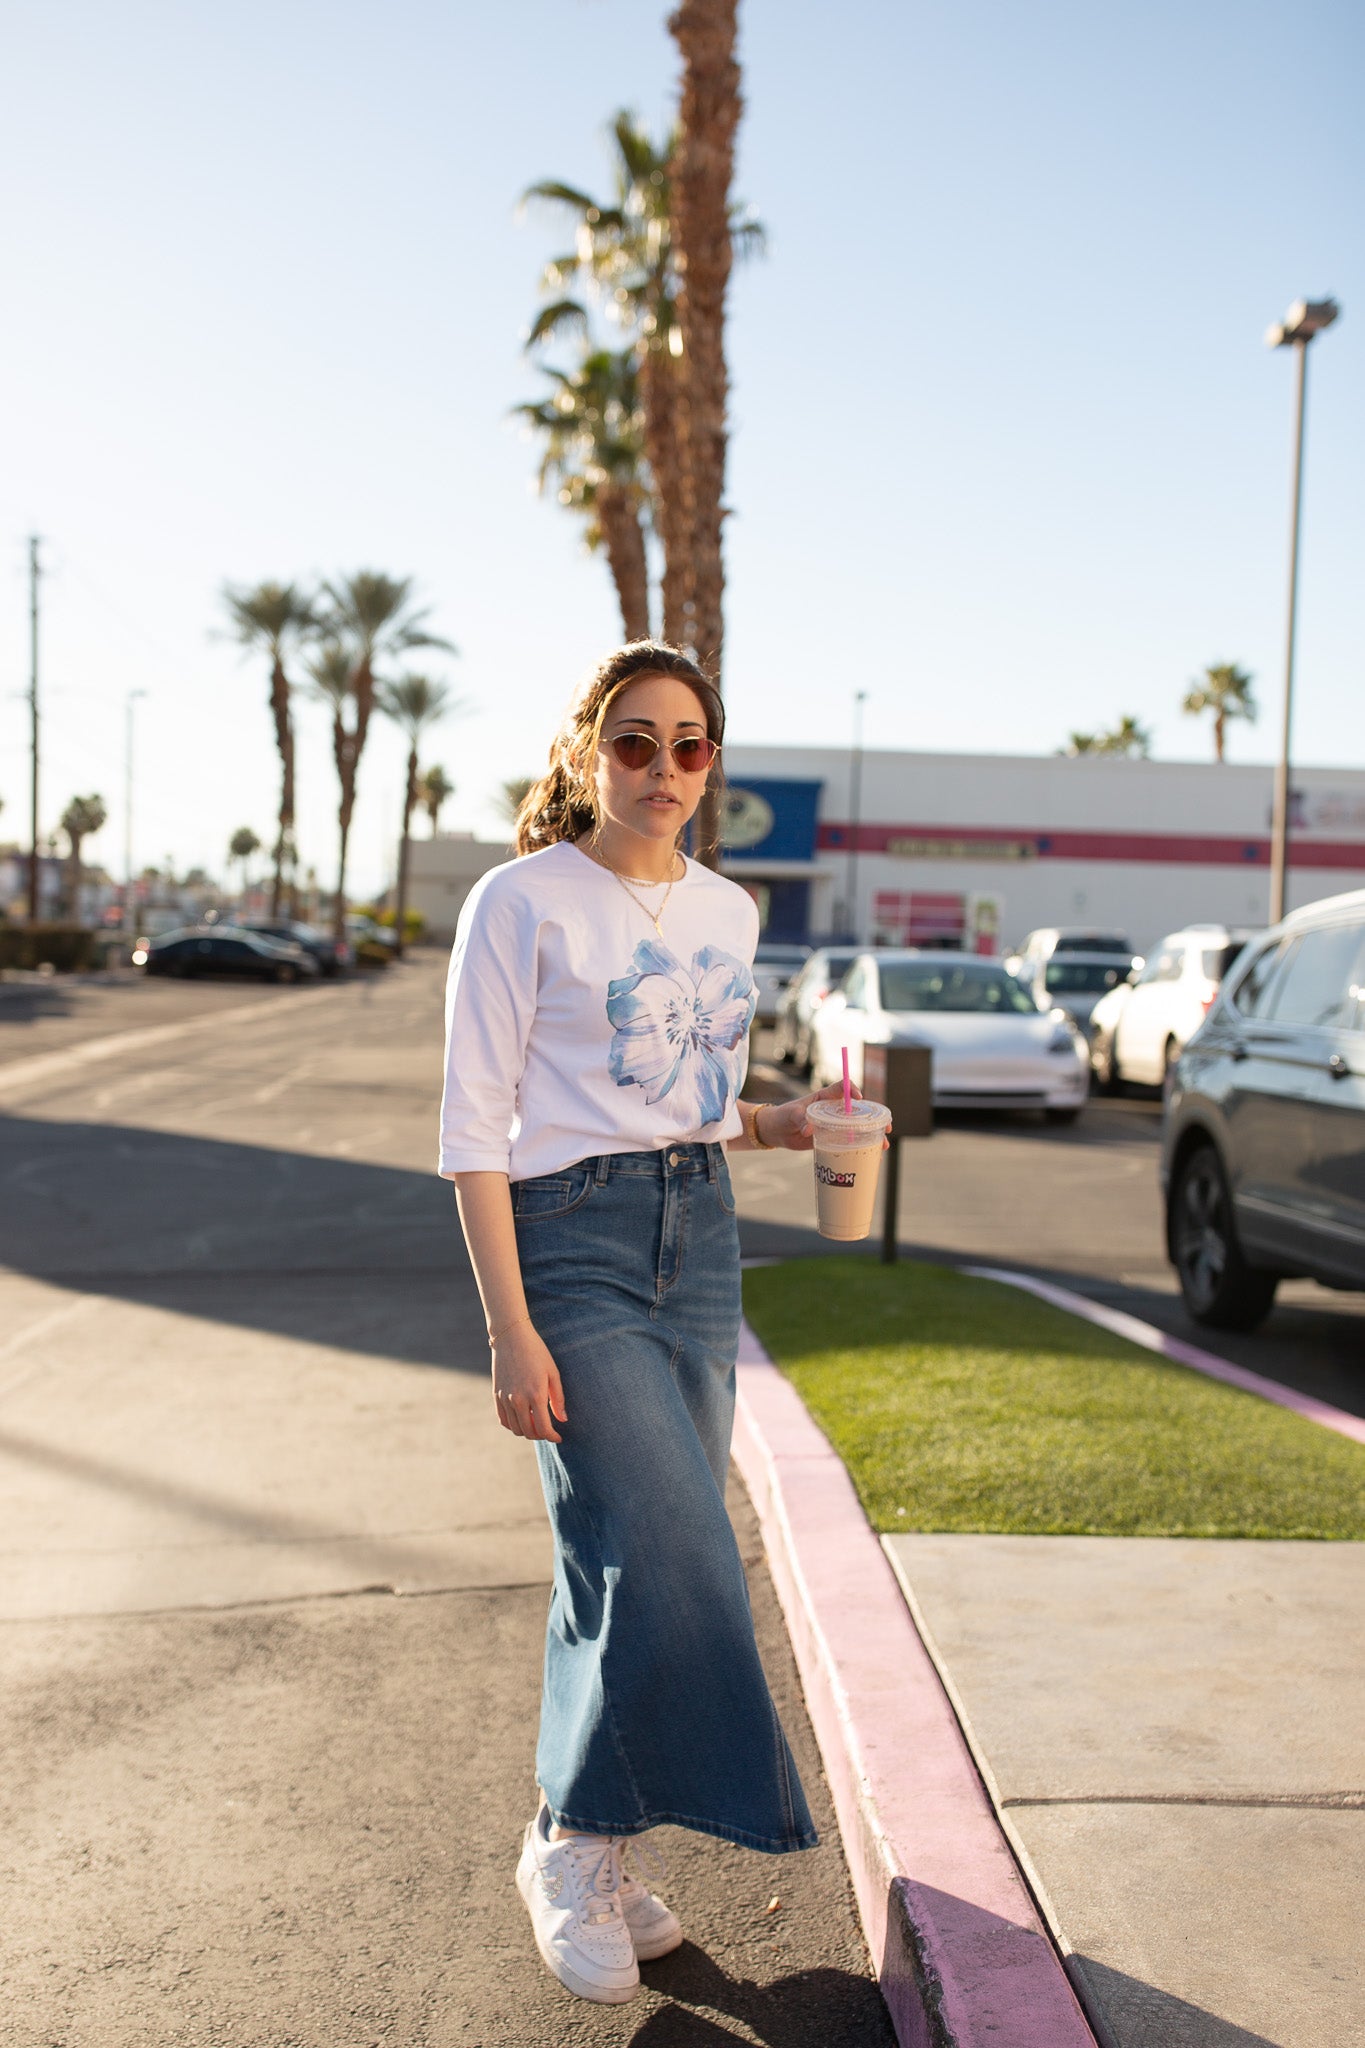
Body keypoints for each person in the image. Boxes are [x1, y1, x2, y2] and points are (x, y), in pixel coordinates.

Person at [439, 641, 855, 2006]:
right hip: (570, 1242)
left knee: (611, 1550)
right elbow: (476, 1133)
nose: (663, 769)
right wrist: (510, 1331)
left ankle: (579, 1839)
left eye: (689, 745)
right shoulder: (520, 902)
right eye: (634, 742)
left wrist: (790, 1124)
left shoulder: (729, 914)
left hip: (702, 1234)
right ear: (583, 754)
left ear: (709, 762)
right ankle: (575, 1841)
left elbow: (696, 1096)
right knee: (674, 1545)